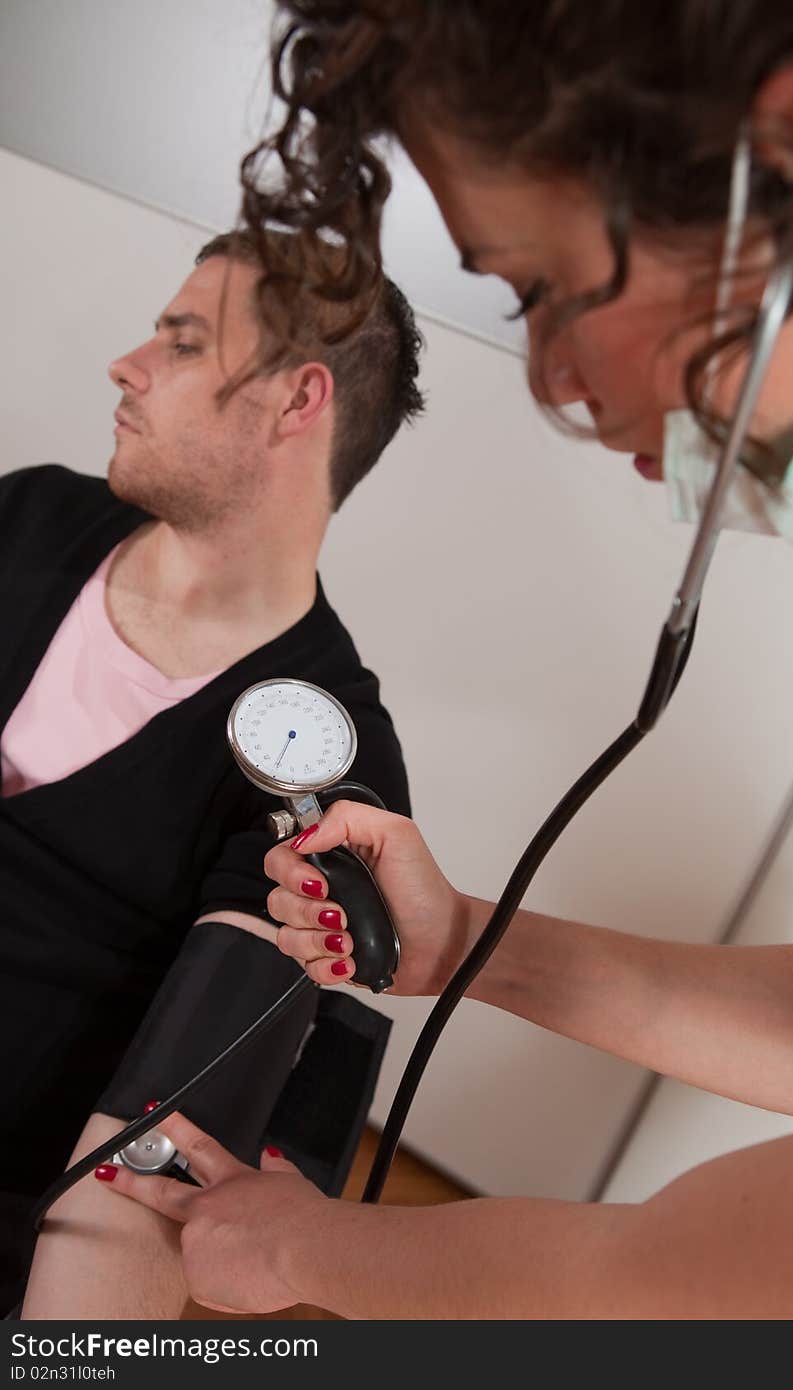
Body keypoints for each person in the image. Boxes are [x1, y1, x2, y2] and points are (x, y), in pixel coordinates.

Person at [99, 0, 793, 1318]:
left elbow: (744, 1282)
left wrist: (297, 1249)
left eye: (537, 287)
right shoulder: (41, 524)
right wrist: (470, 945)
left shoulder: (337, 699)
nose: (554, 385)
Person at [3, 226, 424, 1318]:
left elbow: (150, 1161)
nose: (127, 364)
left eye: (182, 343)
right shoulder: (28, 517)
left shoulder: (332, 770)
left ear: (296, 403)